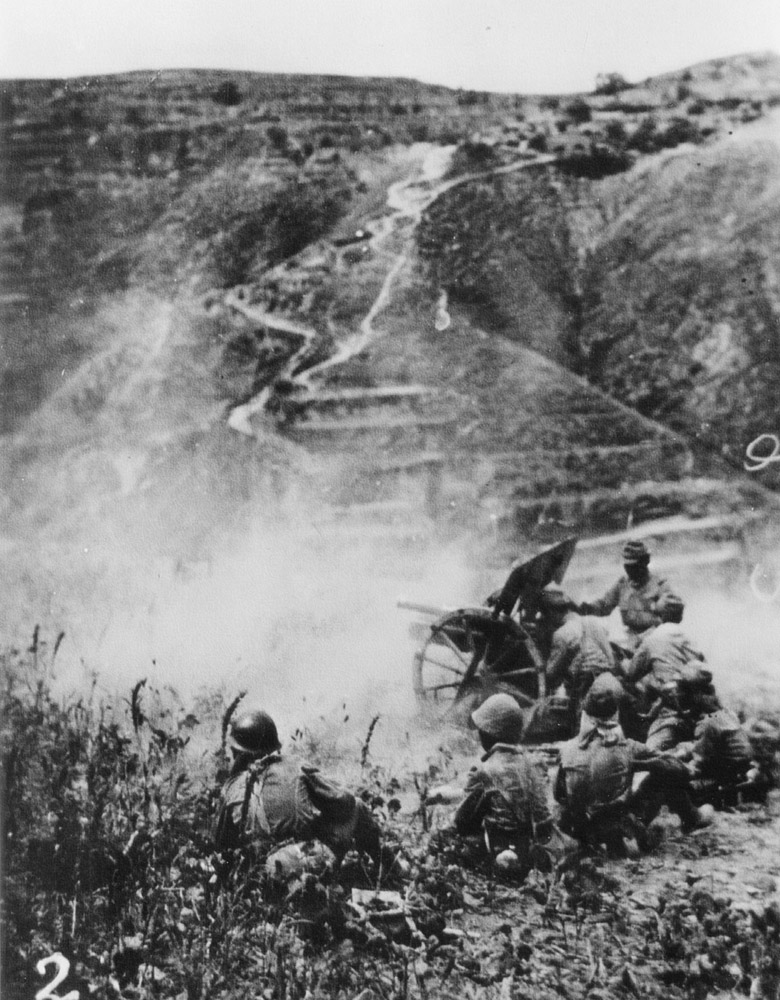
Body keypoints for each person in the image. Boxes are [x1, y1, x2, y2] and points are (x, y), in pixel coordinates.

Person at [214, 708, 383, 879]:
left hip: (260, 876)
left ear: (237, 752)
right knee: (357, 805)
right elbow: (344, 802)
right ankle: (387, 867)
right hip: (305, 864)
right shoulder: (295, 766)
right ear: (272, 745)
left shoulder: (230, 788)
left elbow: (221, 844)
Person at [554, 680, 707, 855]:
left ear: (585, 714)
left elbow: (559, 795)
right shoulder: (629, 747)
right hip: (618, 826)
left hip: (582, 828)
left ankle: (586, 844)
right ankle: (694, 817)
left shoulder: (566, 749)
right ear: (615, 714)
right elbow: (673, 767)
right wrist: (684, 769)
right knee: (664, 776)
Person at [453, 694, 556, 874]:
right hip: (537, 852)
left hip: (503, 854)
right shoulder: (533, 764)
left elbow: (462, 821)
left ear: (488, 733)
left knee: (458, 841)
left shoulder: (482, 771)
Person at [622, 592, 706, 748]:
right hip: (700, 709)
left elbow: (631, 675)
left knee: (649, 753)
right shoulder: (690, 637)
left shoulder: (653, 638)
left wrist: (625, 661)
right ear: (680, 616)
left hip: (672, 712)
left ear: (659, 615)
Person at [673, 668, 756, 806]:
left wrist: (675, 764)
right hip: (738, 766)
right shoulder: (726, 712)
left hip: (725, 774)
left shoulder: (708, 723)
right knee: (683, 747)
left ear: (694, 694)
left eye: (680, 690)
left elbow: (699, 763)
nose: (677, 694)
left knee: (671, 779)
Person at [539, 586, 616, 727]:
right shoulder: (594, 621)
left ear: (550, 612)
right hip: (612, 682)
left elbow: (550, 674)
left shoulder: (562, 634)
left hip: (588, 689)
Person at [578, 540, 673, 650]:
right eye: (627, 566)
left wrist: (644, 637)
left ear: (645, 562)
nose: (629, 571)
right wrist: (586, 608)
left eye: (634, 566)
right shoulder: (622, 584)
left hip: (657, 641)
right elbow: (604, 606)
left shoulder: (660, 585)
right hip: (632, 641)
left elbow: (669, 621)